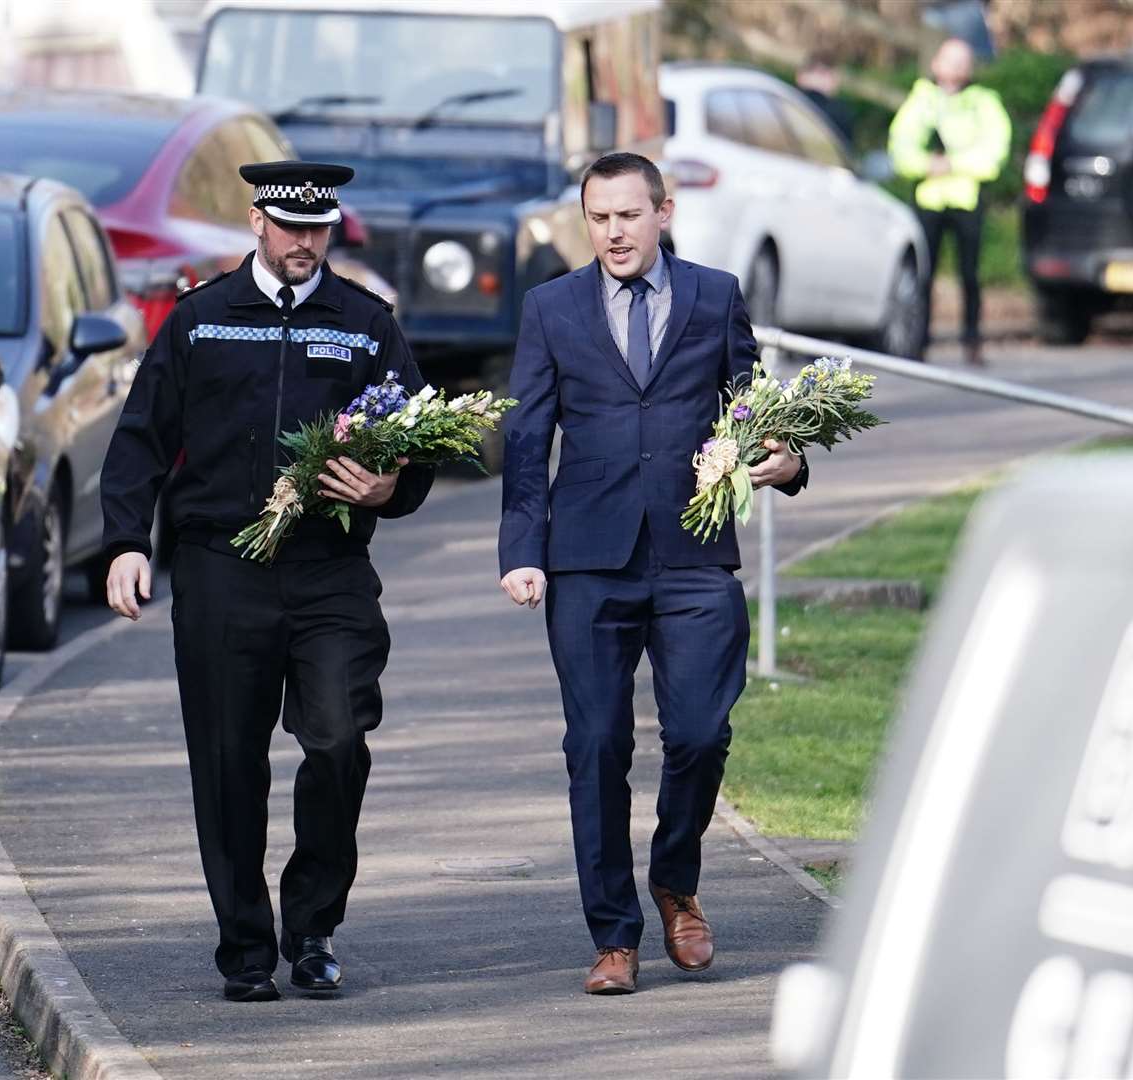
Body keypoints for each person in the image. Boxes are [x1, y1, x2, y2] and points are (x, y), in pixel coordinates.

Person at [100, 160, 434, 1003]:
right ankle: (245, 947)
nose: (304, 244)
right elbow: (141, 437)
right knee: (227, 763)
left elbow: (420, 440)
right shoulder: (202, 319)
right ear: (256, 221)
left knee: (337, 742)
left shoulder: (364, 324)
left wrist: (394, 488)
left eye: (319, 230)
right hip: (220, 569)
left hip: (329, 571)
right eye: (290, 228)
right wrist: (124, 542)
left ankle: (313, 927)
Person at [497, 152, 808, 995]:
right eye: (597, 218)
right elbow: (527, 437)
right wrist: (522, 550)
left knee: (701, 734)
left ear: (662, 213)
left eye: (627, 216)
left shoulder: (713, 295)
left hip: (694, 555)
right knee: (595, 746)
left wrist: (783, 460)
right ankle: (613, 936)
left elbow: (754, 411)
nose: (612, 233)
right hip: (587, 560)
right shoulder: (551, 307)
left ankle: (675, 878)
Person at [888, 37, 1011, 366]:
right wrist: (926, 165)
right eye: (950, 60)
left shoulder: (983, 102)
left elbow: (994, 151)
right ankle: (919, 341)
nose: (956, 67)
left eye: (962, 60)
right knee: (923, 274)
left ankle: (972, 340)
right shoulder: (921, 101)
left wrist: (953, 165)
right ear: (936, 64)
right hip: (928, 199)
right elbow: (901, 146)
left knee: (969, 275)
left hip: (966, 199)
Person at [795, 52, 854, 143]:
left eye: (830, 74)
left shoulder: (786, 97)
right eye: (822, 74)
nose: (833, 80)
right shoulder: (838, 113)